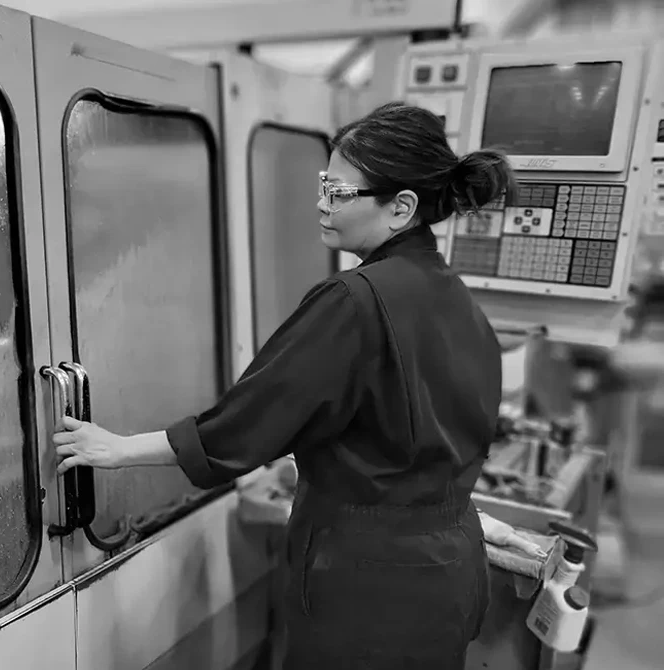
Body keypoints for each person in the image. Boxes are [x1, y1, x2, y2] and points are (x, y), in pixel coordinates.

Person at [52, 102, 513, 669]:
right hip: (450, 570)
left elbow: (247, 424)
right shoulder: (458, 298)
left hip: (370, 585)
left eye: (340, 193)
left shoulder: (354, 300)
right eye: (324, 183)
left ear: (401, 207)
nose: (321, 201)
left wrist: (120, 450)